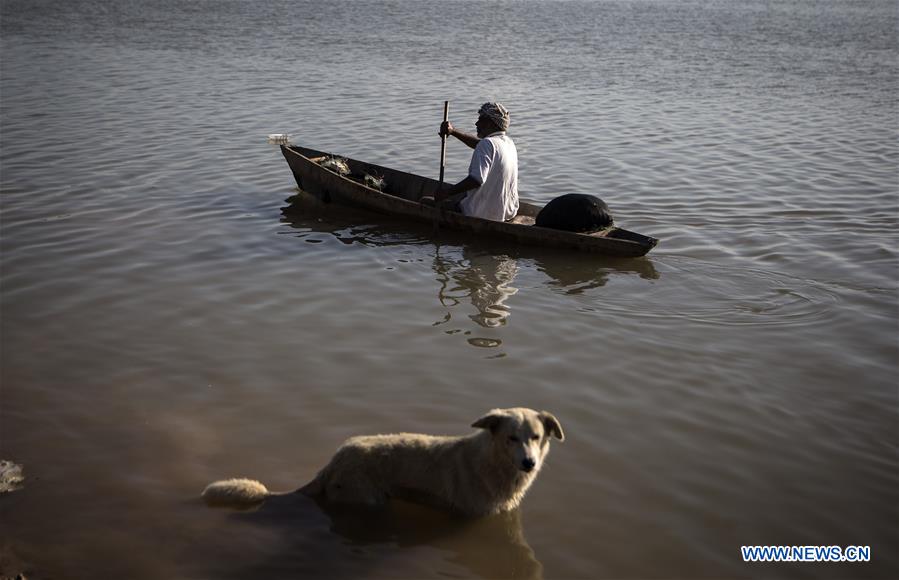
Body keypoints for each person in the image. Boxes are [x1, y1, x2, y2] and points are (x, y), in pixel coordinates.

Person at [435, 102, 519, 222]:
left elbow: (476, 179)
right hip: (508, 212)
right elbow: (479, 144)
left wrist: (447, 193)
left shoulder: (487, 144)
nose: (476, 123)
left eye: (481, 120)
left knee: (425, 201)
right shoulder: (508, 143)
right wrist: (453, 131)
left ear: (491, 123)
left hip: (481, 214)